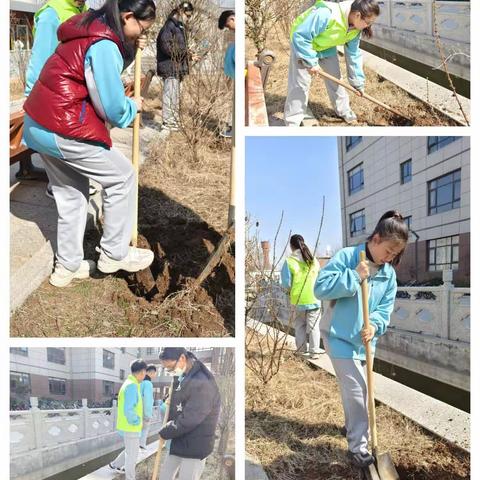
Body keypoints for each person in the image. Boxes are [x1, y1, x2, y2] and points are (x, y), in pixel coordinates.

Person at [22, 0, 156, 288]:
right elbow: (111, 106)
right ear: (128, 16)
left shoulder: (89, 27)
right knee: (122, 177)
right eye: (139, 29)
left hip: (39, 123)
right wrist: (131, 107)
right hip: (61, 124)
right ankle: (114, 254)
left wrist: (131, 45)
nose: (138, 35)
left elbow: (98, 68)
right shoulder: (104, 43)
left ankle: (67, 268)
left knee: (72, 193)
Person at [314, 210, 408, 468]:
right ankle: (359, 447)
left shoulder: (388, 275)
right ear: (376, 238)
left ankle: (351, 427)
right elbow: (320, 288)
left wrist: (375, 326)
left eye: (395, 255)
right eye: (388, 251)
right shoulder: (347, 257)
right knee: (358, 390)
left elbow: (384, 309)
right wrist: (355, 275)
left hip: (366, 342)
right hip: (338, 336)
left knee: (357, 391)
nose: (390, 258)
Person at [23, 0, 97, 197]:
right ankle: (58, 185)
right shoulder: (51, 14)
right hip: (56, 96)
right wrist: (32, 102)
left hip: (76, 92)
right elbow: (39, 61)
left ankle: (66, 184)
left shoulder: (84, 11)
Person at [284, 0, 380, 126]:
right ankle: (293, 121)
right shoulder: (326, 13)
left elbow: (353, 55)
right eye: (368, 22)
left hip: (326, 46)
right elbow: (301, 36)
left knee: (336, 80)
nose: (368, 26)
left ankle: (344, 111)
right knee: (300, 84)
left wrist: (357, 83)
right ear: (357, 15)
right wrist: (311, 62)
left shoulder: (355, 29)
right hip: (304, 45)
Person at [157, 348, 221, 480]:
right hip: (180, 439)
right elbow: (182, 400)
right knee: (165, 475)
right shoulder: (185, 375)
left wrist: (166, 431)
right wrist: (171, 397)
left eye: (170, 367)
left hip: (195, 443)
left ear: (182, 358)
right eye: (166, 369)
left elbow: (191, 418)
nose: (169, 372)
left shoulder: (203, 382)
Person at [281, 234, 322, 359]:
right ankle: (314, 352)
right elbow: (320, 278)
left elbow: (286, 284)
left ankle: (301, 351)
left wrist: (290, 291)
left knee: (300, 326)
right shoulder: (313, 260)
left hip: (298, 300)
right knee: (314, 327)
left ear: (291, 246)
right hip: (314, 298)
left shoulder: (289, 261)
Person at [156, 2, 195, 133]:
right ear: (180, 11)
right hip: (169, 66)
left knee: (175, 96)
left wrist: (188, 55)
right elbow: (166, 47)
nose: (188, 18)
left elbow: (179, 48)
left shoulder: (180, 27)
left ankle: (173, 121)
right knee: (170, 95)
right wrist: (185, 53)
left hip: (177, 67)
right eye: (187, 15)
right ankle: (168, 123)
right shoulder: (169, 26)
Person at [109, 359, 148, 479]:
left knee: (130, 451)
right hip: (131, 426)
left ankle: (115, 465)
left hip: (127, 426)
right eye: (145, 373)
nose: (144, 375)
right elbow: (129, 410)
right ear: (142, 372)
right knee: (132, 455)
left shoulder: (129, 383)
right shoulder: (131, 386)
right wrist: (137, 421)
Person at [218, 10, 235, 138]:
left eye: (228, 26)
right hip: (232, 75)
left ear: (232, 19)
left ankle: (234, 128)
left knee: (236, 103)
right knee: (232, 102)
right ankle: (232, 126)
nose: (229, 29)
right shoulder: (234, 35)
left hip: (237, 76)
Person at [139, 364, 157, 450]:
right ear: (150, 372)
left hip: (138, 410)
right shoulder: (148, 383)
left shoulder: (140, 382)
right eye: (154, 373)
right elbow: (147, 400)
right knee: (145, 428)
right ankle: (142, 444)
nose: (155, 375)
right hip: (144, 411)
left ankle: (138, 444)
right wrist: (147, 414)